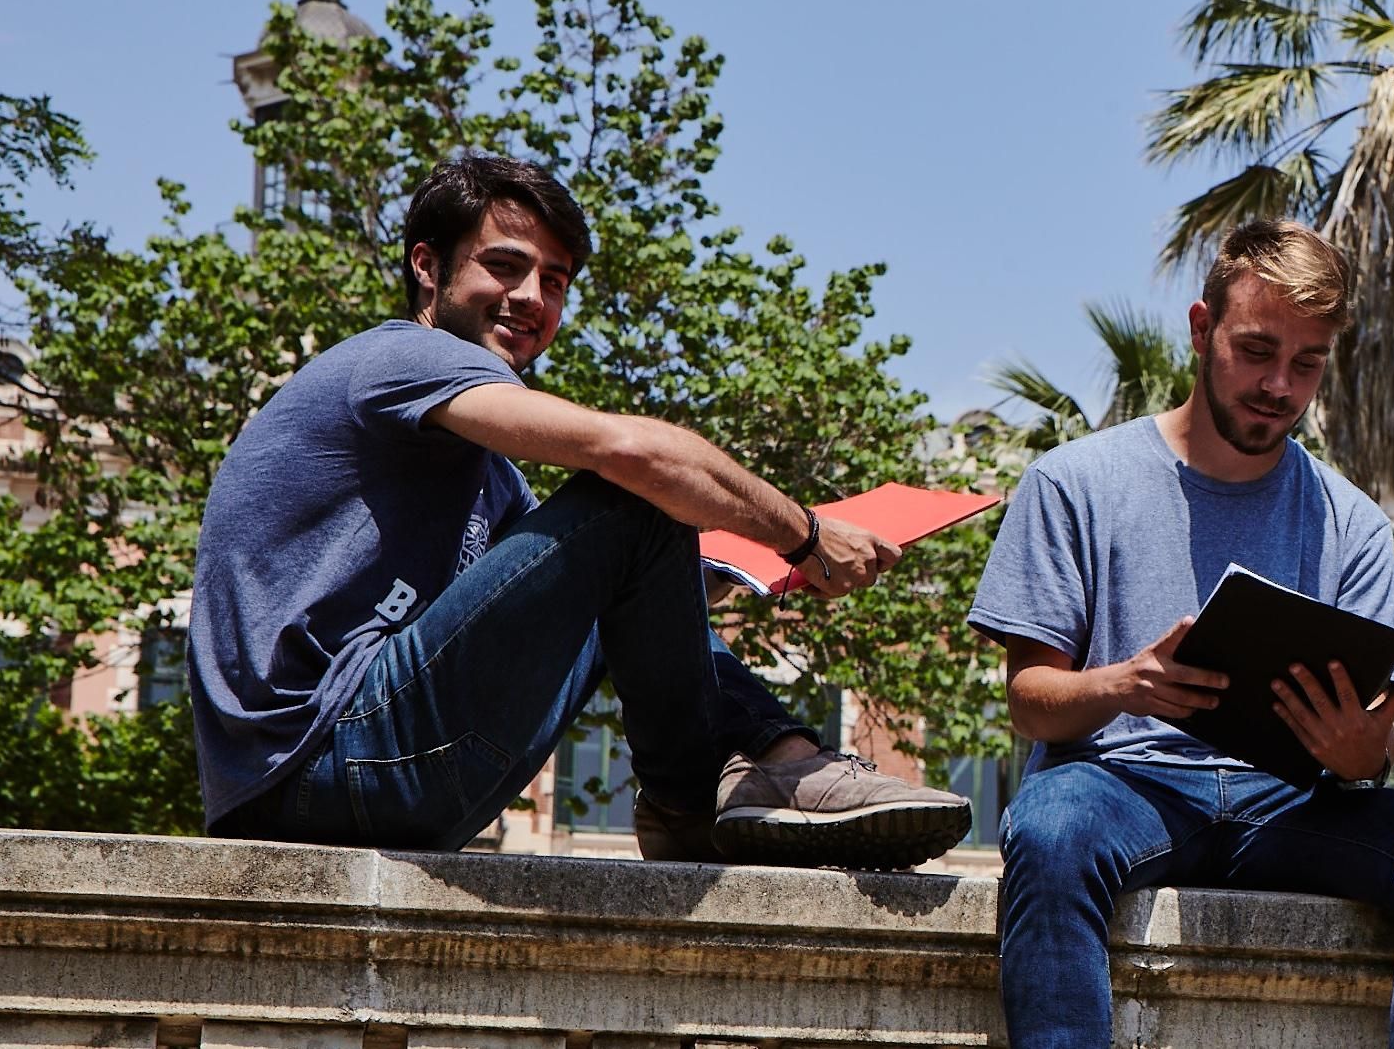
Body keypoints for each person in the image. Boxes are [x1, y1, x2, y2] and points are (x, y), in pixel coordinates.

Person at [190, 154, 969, 868]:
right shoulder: (403, 356)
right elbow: (636, 460)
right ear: (427, 268)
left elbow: (602, 588)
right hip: (320, 759)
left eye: (555, 281)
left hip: (356, 779)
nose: (531, 297)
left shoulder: (486, 474)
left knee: (647, 529)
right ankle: (706, 792)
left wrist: (732, 569)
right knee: (640, 490)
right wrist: (800, 533)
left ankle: (765, 765)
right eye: (505, 265)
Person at [969, 221, 1394, 1048]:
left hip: (1290, 802)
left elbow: (1376, 752)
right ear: (1200, 328)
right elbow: (1030, 703)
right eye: (1257, 350)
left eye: (1307, 364)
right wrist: (1126, 684)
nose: (1279, 386)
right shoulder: (1074, 482)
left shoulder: (1352, 522)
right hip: (1121, 784)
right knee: (1050, 830)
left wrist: (1359, 747)